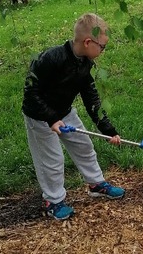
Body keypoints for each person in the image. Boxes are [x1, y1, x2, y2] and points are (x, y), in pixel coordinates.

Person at [22, 13, 125, 221]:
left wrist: (108, 129)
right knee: (52, 160)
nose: (103, 51)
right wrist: (51, 119)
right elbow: (30, 94)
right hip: (40, 117)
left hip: (65, 112)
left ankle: (96, 184)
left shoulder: (85, 63)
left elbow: (92, 99)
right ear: (88, 42)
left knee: (84, 147)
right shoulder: (51, 59)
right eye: (102, 47)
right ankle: (54, 200)